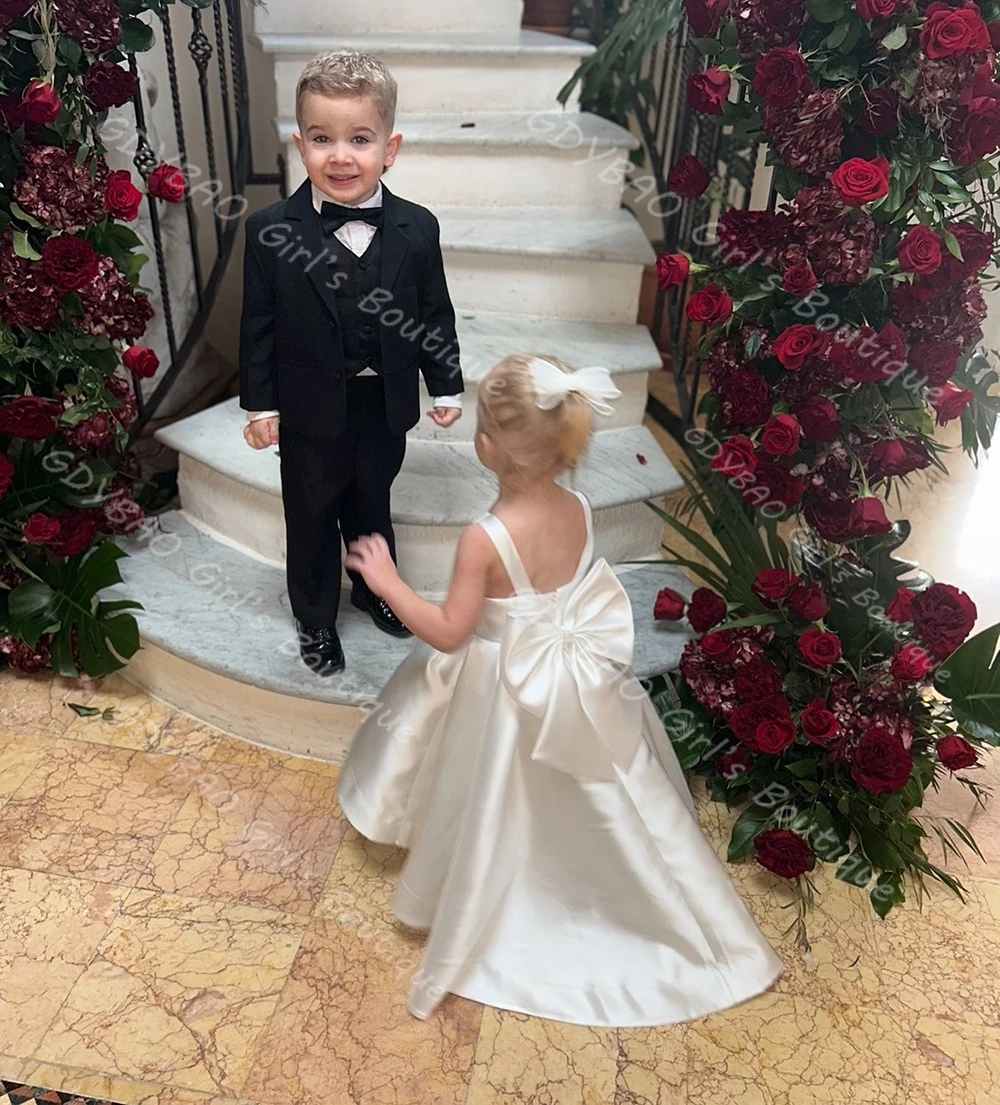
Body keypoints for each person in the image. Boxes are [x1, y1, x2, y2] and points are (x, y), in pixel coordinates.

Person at [338, 353, 783, 1027]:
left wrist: (388, 583)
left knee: (486, 781)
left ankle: (485, 882)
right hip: (573, 677)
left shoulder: (484, 538)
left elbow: (452, 632)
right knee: (605, 781)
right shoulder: (578, 504)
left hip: (500, 682)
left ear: (485, 447)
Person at [239, 52, 464, 675]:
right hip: (309, 409)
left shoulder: (417, 229)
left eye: (359, 139)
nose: (341, 156)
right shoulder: (269, 232)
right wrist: (261, 404)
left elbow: (433, 314)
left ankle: (374, 588)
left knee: (371, 502)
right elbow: (256, 325)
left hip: (382, 403)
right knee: (311, 511)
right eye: (322, 139)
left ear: (389, 148)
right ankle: (314, 617)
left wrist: (444, 384)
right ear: (299, 144)